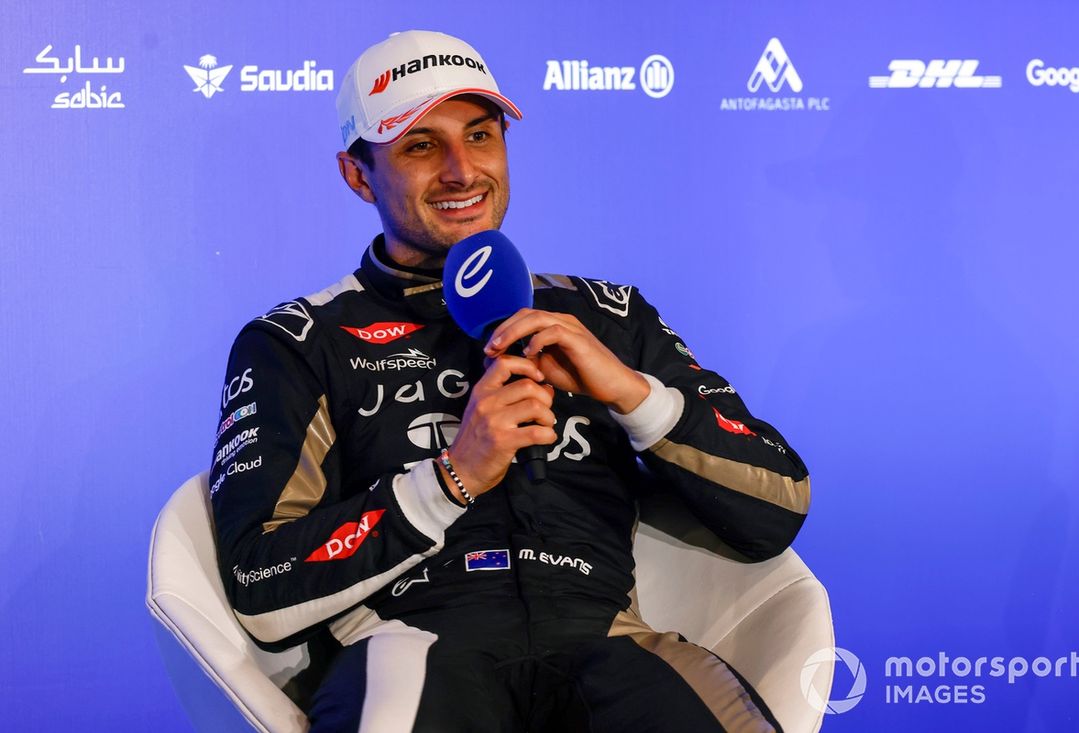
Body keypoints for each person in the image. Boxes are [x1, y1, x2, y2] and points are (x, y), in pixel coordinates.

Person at [210, 29, 810, 733]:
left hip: (607, 640)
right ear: (358, 175)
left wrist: (634, 396)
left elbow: (778, 507)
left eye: (480, 135)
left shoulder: (609, 315)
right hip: (413, 644)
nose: (462, 171)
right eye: (420, 146)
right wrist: (451, 477)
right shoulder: (296, 340)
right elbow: (260, 585)